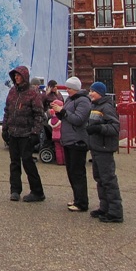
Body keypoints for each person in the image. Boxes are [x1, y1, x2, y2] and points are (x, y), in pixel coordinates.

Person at [2, 65, 45, 202]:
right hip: (13, 133)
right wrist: (4, 129)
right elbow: (7, 111)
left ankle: (37, 192)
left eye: (19, 75)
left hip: (26, 134)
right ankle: (15, 190)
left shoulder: (33, 93)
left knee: (28, 162)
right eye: (15, 75)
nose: (16, 77)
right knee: (14, 163)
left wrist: (35, 133)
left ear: (25, 77)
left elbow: (39, 115)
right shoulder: (12, 92)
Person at [51, 76, 91, 212]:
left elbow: (78, 119)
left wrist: (62, 111)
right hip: (68, 140)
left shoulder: (83, 101)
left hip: (78, 141)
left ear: (75, 89)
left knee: (78, 173)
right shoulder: (70, 99)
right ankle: (77, 198)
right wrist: (59, 112)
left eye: (69, 88)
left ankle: (82, 203)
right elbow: (66, 116)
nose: (67, 90)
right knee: (71, 172)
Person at [86, 81, 124, 223]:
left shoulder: (107, 107)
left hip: (104, 148)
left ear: (100, 93)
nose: (90, 93)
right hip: (96, 147)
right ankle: (104, 207)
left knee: (108, 180)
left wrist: (98, 128)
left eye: (93, 91)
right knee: (100, 179)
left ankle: (115, 212)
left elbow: (115, 127)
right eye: (90, 91)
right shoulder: (95, 106)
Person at [47, 97, 64, 165]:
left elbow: (49, 111)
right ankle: (64, 161)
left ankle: (59, 161)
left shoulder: (52, 117)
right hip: (61, 136)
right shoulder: (60, 117)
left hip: (54, 136)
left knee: (58, 149)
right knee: (63, 149)